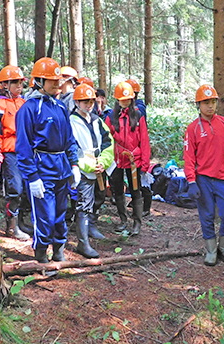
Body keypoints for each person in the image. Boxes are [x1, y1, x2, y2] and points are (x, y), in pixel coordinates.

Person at [15, 57, 80, 263]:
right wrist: (32, 177)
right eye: (52, 80)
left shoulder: (60, 107)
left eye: (58, 80)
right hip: (42, 170)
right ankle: (41, 253)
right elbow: (23, 147)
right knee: (45, 216)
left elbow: (69, 139)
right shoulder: (29, 109)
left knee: (61, 213)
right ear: (39, 81)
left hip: (62, 168)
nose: (57, 84)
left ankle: (59, 248)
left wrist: (74, 165)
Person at [184, 85, 224, 266]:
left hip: (223, 178)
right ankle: (211, 249)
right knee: (207, 215)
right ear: (198, 105)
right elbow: (188, 157)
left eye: (213, 102)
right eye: (205, 103)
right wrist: (191, 181)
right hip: (203, 179)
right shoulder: (193, 128)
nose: (210, 106)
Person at [69, 84, 114, 258]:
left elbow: (107, 143)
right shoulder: (71, 122)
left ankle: (92, 227)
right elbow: (72, 148)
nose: (89, 105)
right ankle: (83, 242)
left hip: (99, 168)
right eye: (85, 101)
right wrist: (87, 165)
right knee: (84, 203)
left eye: (91, 102)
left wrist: (103, 161)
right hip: (84, 170)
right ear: (77, 102)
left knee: (99, 197)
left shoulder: (97, 121)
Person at [0, 65, 30, 241]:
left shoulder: (23, 102)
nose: (19, 87)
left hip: (26, 151)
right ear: (4, 85)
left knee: (27, 188)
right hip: (10, 153)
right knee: (15, 189)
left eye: (21, 83)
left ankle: (22, 221)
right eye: (15, 83)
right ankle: (11, 225)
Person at [105, 81, 151, 236]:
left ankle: (137, 223)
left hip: (134, 161)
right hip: (117, 161)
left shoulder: (138, 116)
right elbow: (106, 140)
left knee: (135, 190)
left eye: (127, 99)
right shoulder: (111, 118)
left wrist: (145, 163)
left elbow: (144, 140)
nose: (124, 102)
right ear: (117, 100)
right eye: (122, 99)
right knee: (118, 191)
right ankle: (123, 220)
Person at [125, 78, 152, 216]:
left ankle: (146, 206)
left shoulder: (139, 108)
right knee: (133, 179)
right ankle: (138, 203)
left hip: (140, 148)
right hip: (131, 150)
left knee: (141, 178)